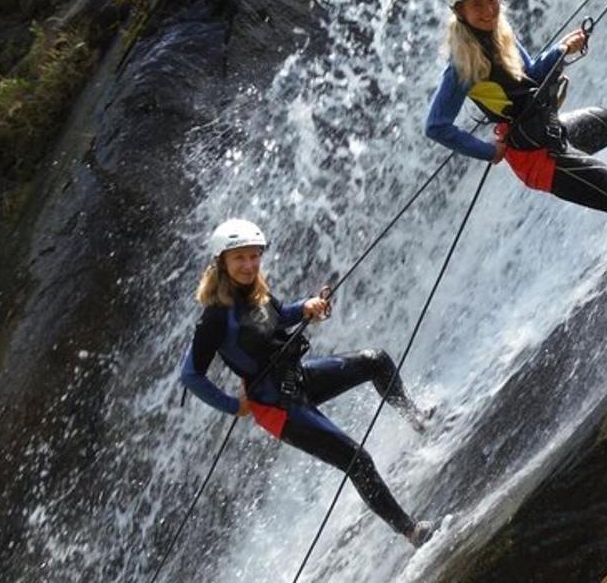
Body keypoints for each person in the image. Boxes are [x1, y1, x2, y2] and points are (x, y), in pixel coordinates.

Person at [425, 0, 607, 307]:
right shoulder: (461, 65)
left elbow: (533, 77)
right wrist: (488, 151)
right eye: (476, 4)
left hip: (552, 132)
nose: (488, 9)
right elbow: (436, 125)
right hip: (539, 158)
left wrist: (561, 50)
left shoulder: (501, 33)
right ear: (459, 10)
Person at [180, 218, 435, 547]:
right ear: (222, 262)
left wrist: (306, 307)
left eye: (253, 256)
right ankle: (412, 531)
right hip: (276, 407)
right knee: (356, 460)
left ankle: (416, 419)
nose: (248, 264)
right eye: (239, 258)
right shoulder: (214, 317)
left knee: (376, 360)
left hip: (296, 378)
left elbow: (279, 315)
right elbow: (190, 375)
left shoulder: (256, 292)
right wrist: (233, 406)